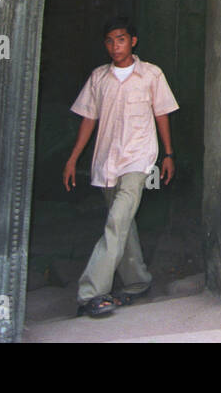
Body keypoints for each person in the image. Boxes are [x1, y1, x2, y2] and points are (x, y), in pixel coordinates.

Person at [64, 17, 179, 318]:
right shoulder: (98, 78)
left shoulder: (151, 74)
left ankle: (90, 293)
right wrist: (74, 158)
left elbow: (162, 114)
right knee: (123, 225)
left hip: (138, 158)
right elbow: (89, 119)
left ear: (133, 41)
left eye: (122, 39)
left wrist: (168, 154)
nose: (116, 46)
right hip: (106, 161)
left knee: (116, 221)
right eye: (110, 41)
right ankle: (138, 282)